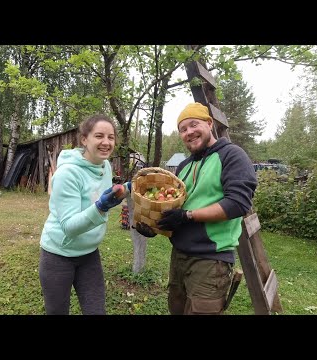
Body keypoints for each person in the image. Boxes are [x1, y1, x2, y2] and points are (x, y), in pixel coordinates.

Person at [136, 102, 257, 315]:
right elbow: (176, 212)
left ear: (209, 124)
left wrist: (188, 216)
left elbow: (238, 203)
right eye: (183, 129)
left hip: (211, 260)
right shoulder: (184, 166)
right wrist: (154, 227)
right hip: (180, 256)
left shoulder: (232, 155)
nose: (189, 132)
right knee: (176, 309)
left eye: (194, 125)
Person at [38, 114, 130, 315]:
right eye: (99, 136)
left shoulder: (105, 166)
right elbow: (69, 227)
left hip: (89, 253)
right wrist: (101, 207)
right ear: (84, 139)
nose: (106, 142)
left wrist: (123, 192)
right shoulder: (68, 173)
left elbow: (97, 199)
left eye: (111, 137)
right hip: (58, 254)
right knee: (57, 312)